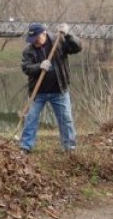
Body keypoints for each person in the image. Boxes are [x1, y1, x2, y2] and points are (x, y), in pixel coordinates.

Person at [19, 22, 82, 153]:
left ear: (44, 33)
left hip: (59, 90)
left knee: (66, 119)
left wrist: (68, 34)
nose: (34, 42)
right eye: (32, 39)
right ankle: (26, 146)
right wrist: (39, 66)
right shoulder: (28, 50)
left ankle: (69, 147)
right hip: (38, 92)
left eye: (37, 38)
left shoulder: (58, 41)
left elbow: (77, 48)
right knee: (30, 118)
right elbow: (26, 67)